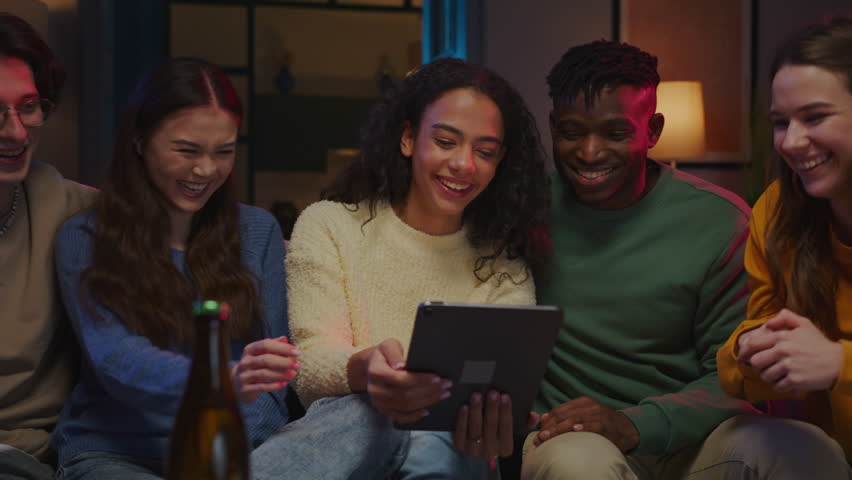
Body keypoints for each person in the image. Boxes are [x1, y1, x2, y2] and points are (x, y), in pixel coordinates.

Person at [521, 39, 849, 480]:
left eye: (615, 133)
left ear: (653, 131)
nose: (590, 152)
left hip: (698, 442)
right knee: (578, 465)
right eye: (572, 131)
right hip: (573, 437)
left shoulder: (721, 221)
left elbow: (734, 378)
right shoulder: (520, 211)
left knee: (807, 450)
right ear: (552, 126)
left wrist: (635, 424)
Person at [286, 57, 550, 479]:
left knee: (433, 426)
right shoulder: (329, 226)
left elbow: (502, 387)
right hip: (350, 448)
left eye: (484, 152)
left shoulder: (503, 264)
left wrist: (500, 419)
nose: (464, 164)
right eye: (446, 142)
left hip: (456, 451)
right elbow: (310, 364)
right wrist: (365, 371)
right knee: (369, 410)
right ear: (408, 139)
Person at [52, 57, 302, 479]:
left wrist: (229, 450)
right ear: (139, 140)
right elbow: (117, 359)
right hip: (119, 453)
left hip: (239, 451)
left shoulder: (257, 231)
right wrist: (220, 380)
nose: (206, 170)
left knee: (353, 419)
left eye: (224, 152)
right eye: (186, 150)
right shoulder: (85, 236)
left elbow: (278, 372)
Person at [718, 17, 852, 468]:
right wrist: (752, 349)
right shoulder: (776, 210)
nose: (792, 142)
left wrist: (838, 363)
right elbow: (748, 355)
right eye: (780, 122)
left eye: (814, 117)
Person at [0, 13, 96, 480]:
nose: (16, 132)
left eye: (29, 106)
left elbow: (173, 222)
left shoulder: (69, 207)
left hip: (41, 459)